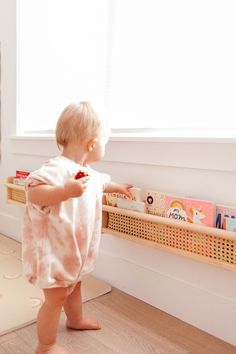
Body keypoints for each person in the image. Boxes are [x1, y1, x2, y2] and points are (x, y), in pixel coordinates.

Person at [22, 101, 133, 354]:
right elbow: (33, 191)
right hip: (54, 253)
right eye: (105, 143)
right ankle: (46, 344)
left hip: (74, 252)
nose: (104, 147)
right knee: (56, 298)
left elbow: (103, 183)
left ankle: (75, 319)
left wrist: (119, 188)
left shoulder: (88, 173)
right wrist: (63, 191)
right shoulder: (57, 168)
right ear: (92, 144)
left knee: (75, 286)